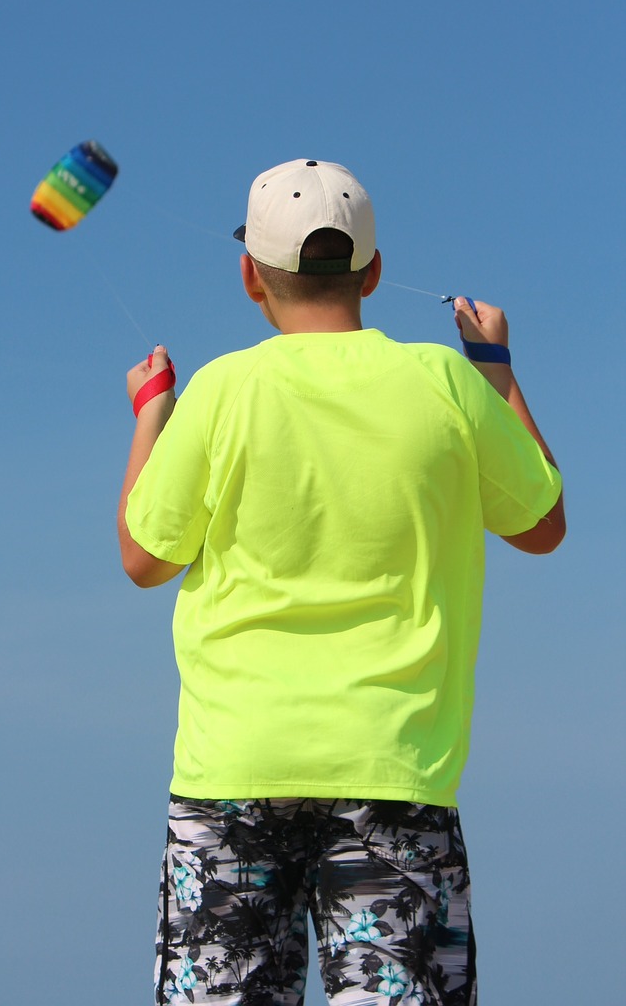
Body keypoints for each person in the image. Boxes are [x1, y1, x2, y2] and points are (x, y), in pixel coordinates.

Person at [117, 159, 564, 1006]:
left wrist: (151, 412)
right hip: (393, 773)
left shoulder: (219, 392)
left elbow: (145, 557)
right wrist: (495, 369)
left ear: (250, 274)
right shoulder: (446, 383)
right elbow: (540, 525)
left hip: (232, 775)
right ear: (375, 270)